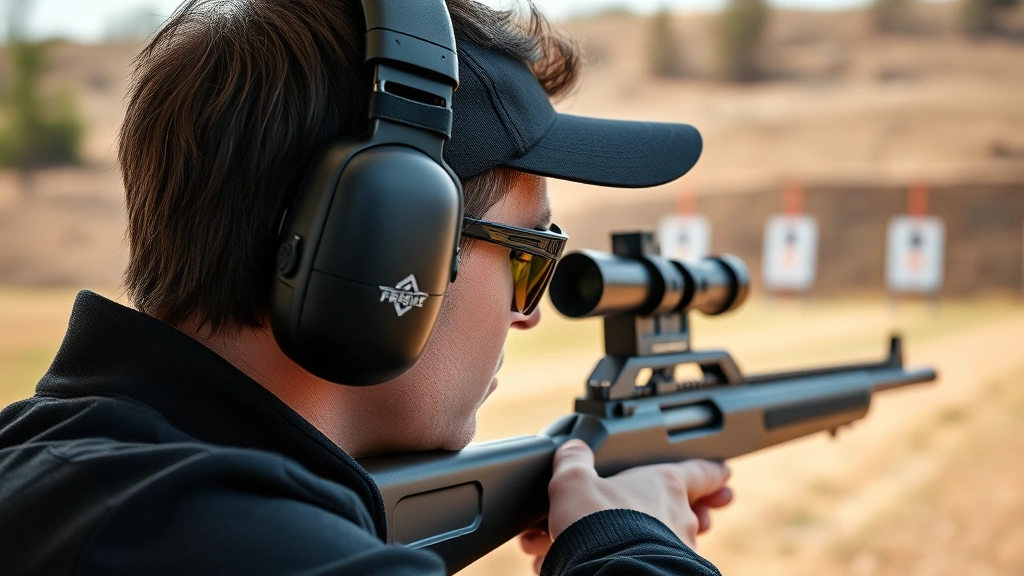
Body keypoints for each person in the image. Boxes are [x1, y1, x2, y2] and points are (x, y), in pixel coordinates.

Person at [0, 1, 733, 574]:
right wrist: (633, 544)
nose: (527, 315)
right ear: (389, 249)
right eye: (528, 255)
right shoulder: (216, 545)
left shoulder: (75, 478)